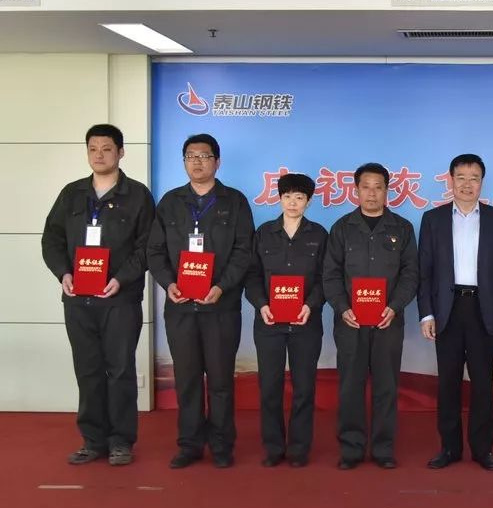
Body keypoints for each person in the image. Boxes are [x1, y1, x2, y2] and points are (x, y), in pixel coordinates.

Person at [41, 123, 155, 466]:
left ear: (121, 152)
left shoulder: (137, 195)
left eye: (107, 149)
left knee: (119, 370)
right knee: (87, 370)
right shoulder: (72, 194)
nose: (99, 155)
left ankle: (121, 441)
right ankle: (92, 440)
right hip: (79, 300)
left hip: (120, 299)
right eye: (93, 149)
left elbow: (147, 246)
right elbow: (52, 239)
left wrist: (121, 279)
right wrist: (63, 273)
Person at [147, 133, 254, 469]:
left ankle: (221, 445)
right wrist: (168, 283)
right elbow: (154, 250)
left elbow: (244, 251)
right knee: (188, 379)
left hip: (220, 306)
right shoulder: (170, 202)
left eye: (204, 156)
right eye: (190, 155)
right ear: (184, 162)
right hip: (180, 307)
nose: (197, 161)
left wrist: (222, 286)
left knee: (220, 381)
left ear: (217, 162)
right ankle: (190, 444)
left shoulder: (234, 202)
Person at [418, 154, 493, 471]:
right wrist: (426, 314)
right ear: (451, 180)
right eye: (461, 177)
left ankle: (483, 449)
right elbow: (424, 272)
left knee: (483, 383)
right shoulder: (433, 220)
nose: (467, 184)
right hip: (446, 309)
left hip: (483, 309)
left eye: (474, 178)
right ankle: (449, 447)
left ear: (482, 182)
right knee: (447, 382)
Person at [323, 163, 418, 470]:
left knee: (386, 386)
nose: (372, 193)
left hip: (388, 321)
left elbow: (411, 274)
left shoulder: (402, 228)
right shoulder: (341, 228)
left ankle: (383, 448)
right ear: (356, 190)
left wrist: (395, 306)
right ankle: (351, 448)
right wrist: (342, 307)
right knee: (350, 386)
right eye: (366, 187)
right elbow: (330, 275)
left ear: (387, 191)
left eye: (378, 187)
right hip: (349, 323)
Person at [245, 173, 327, 468]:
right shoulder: (264, 233)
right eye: (287, 196)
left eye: (299, 197)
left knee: (304, 388)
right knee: (270, 387)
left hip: (306, 323)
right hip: (269, 324)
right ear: (279, 199)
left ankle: (299, 449)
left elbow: (326, 278)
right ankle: (273, 447)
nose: (293, 203)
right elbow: (252, 275)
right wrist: (262, 304)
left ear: (309, 201)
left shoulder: (319, 235)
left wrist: (310, 305)